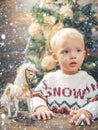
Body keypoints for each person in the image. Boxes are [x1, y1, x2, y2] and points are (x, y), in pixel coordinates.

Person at [31, 28, 98, 125]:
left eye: (78, 51)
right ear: (55, 57)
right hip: (52, 125)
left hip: (78, 126)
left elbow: (96, 101)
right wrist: (40, 107)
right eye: (66, 52)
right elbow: (36, 96)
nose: (73, 56)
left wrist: (87, 111)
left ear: (83, 55)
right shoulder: (50, 79)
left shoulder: (87, 81)